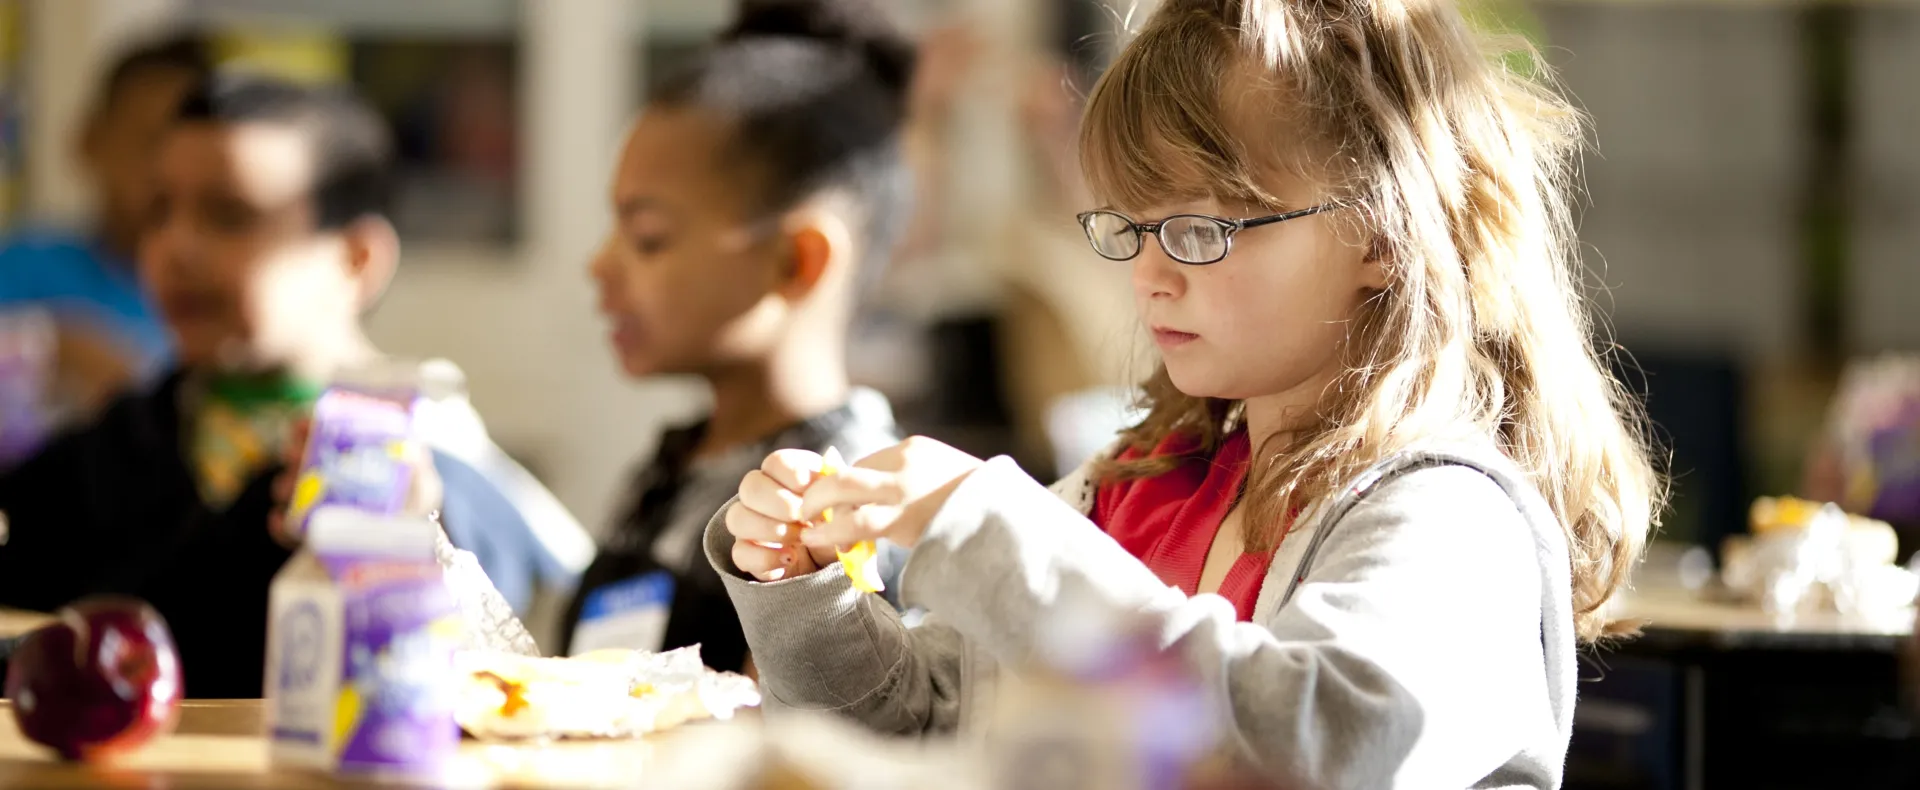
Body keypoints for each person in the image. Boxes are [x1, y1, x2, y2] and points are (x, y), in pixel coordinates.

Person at [713, 0, 1664, 786]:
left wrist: (989, 529)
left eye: (1204, 229)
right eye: (1134, 227)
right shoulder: (1133, 484)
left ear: (1381, 236)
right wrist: (805, 595)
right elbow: (930, 733)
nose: (1151, 278)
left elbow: (1320, 748)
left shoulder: (1446, 517)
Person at [0, 73, 550, 697]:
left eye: (228, 215)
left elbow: (506, 667)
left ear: (356, 258)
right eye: (160, 211)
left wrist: (413, 532)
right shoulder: (116, 446)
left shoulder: (424, 460)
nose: (176, 246)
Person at [559, 0, 912, 673]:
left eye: (648, 238)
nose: (599, 267)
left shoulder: (842, 500)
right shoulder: (676, 467)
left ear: (797, 261)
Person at [0, 36, 209, 422]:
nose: (165, 168)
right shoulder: (23, 264)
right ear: (89, 139)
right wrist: (52, 343)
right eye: (148, 139)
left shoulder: (221, 295)